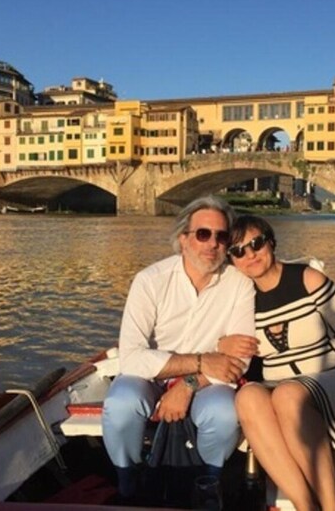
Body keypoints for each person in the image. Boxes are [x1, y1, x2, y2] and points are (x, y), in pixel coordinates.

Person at [219, 214, 335, 511]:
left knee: (290, 394)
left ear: (271, 242)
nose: (249, 255)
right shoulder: (239, 299)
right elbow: (216, 336)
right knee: (249, 396)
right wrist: (220, 343)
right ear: (232, 261)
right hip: (278, 388)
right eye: (238, 251)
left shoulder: (307, 279)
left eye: (256, 243)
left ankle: (331, 506)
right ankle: (306, 506)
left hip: (334, 380)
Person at [101, 195, 256, 500]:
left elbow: (240, 359)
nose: (212, 243)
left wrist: (187, 385)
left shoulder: (239, 285)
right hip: (152, 375)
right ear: (183, 240)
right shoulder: (150, 281)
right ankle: (128, 483)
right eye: (203, 234)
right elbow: (131, 357)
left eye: (221, 236)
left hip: (205, 382)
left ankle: (208, 484)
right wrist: (200, 360)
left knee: (223, 414)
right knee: (120, 404)